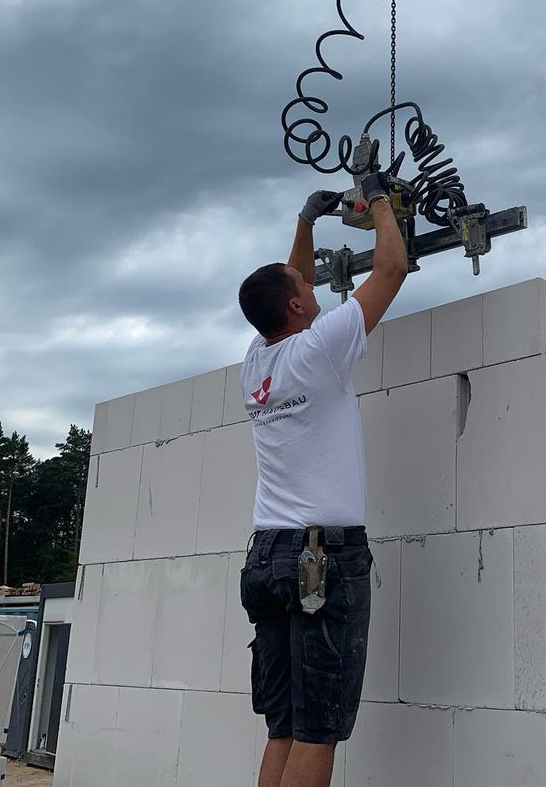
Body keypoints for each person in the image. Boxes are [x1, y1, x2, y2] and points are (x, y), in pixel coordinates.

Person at [236, 173, 407, 787]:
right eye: (306, 286)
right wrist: (381, 200)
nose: (310, 283)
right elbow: (390, 270)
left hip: (267, 557)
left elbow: (284, 288)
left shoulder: (257, 364)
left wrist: (306, 224)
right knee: (318, 729)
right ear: (297, 307)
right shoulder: (321, 349)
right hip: (320, 559)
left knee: (283, 726)